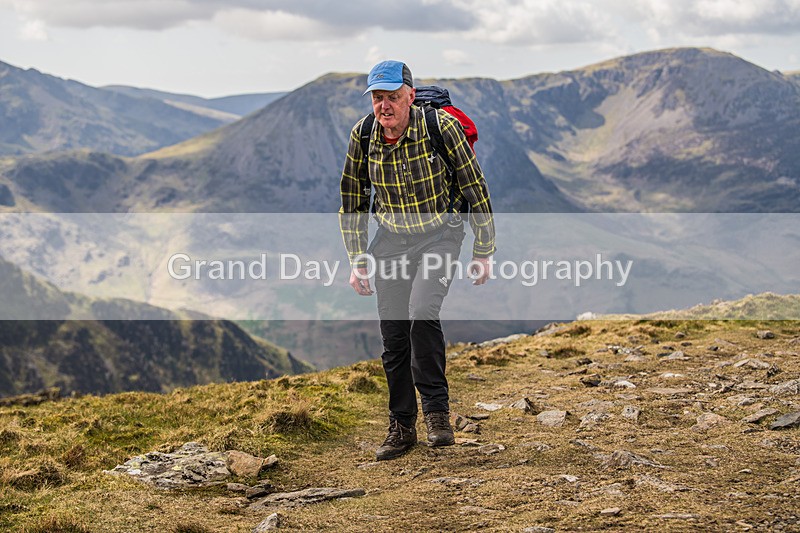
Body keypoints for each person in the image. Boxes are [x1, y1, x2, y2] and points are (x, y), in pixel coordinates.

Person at [339, 60, 495, 461]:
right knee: (394, 336)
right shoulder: (364, 134)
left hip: (440, 235)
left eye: (392, 97)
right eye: (377, 97)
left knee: (422, 312)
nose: (384, 106)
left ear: (410, 94)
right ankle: (401, 425)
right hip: (390, 242)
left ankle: (438, 416)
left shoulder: (440, 128)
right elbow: (353, 201)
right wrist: (358, 260)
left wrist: (483, 250)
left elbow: (475, 187)